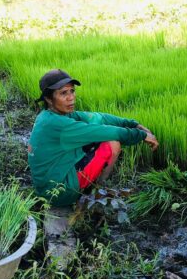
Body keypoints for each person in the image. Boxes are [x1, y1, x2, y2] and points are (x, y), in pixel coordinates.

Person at [28, 69, 158, 206]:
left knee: (94, 139)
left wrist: (134, 124)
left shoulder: (51, 116)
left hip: (47, 186)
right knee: (112, 143)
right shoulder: (58, 124)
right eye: (63, 93)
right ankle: (98, 188)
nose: (71, 97)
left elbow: (100, 118)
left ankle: (92, 186)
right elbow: (105, 131)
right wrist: (142, 135)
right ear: (48, 98)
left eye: (72, 91)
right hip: (59, 194)